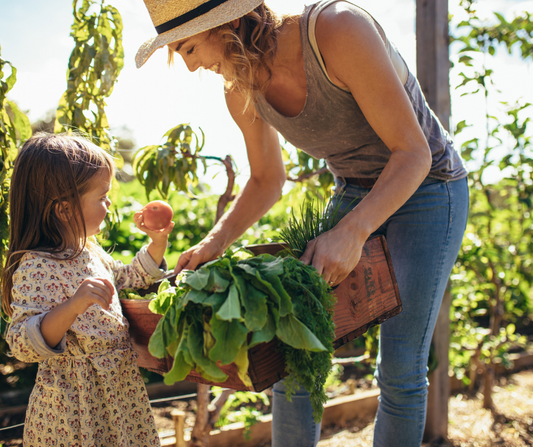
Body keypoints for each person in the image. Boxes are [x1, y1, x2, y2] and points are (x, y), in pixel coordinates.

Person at [136, 0, 469, 446]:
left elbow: (414, 153)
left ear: (229, 20)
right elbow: (266, 179)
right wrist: (213, 243)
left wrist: (352, 231)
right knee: (291, 354)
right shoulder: (239, 88)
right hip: (353, 190)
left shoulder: (337, 31)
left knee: (400, 367)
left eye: (191, 48)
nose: (194, 67)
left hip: (429, 188)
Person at [2, 133, 174, 447]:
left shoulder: (91, 253)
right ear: (65, 209)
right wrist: (73, 306)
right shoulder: (36, 266)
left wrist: (157, 244)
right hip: (74, 405)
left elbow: (128, 278)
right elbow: (22, 343)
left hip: (118, 393)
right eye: (102, 197)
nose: (109, 205)